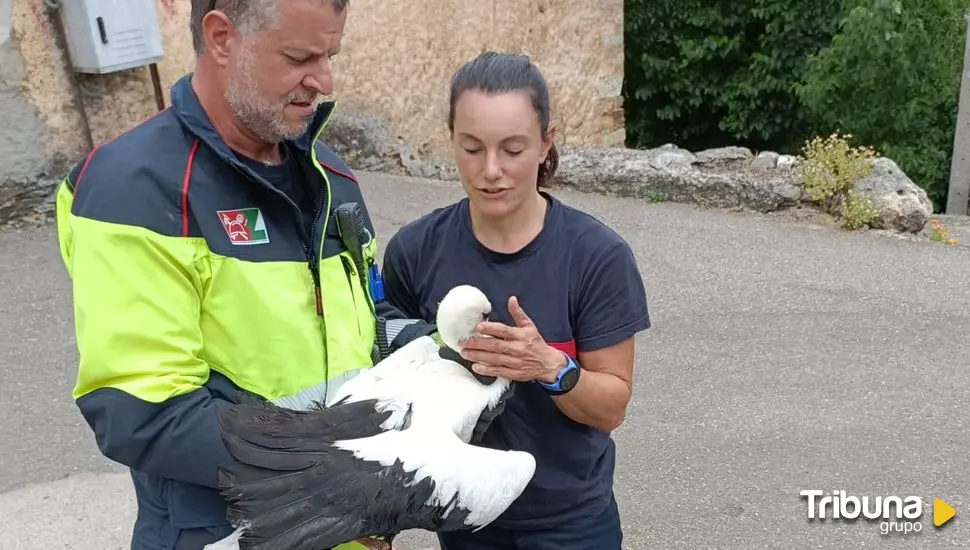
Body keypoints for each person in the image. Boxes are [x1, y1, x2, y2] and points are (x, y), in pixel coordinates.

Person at [53, 0, 437, 548]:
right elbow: (144, 413)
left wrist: (445, 348)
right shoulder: (134, 187)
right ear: (221, 37)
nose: (324, 81)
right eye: (300, 56)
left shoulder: (328, 174)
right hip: (227, 531)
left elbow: (365, 324)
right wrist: (341, 476)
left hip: (344, 526)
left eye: (330, 54)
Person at [380, 51, 652, 549]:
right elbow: (388, 388)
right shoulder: (415, 252)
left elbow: (611, 408)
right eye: (471, 148)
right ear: (452, 141)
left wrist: (549, 366)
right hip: (464, 520)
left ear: (546, 142)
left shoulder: (596, 257)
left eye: (512, 149)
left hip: (572, 524)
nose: (491, 170)